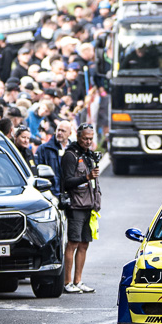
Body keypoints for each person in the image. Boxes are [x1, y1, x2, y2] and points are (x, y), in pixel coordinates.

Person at [61, 123, 101, 294]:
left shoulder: (88, 155)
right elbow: (67, 182)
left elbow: (95, 183)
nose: (88, 141)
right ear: (78, 137)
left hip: (89, 206)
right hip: (76, 206)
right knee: (73, 243)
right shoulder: (70, 155)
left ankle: (78, 281)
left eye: (91, 139)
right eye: (85, 138)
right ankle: (67, 282)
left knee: (84, 243)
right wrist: (86, 177)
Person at [36, 118, 73, 193]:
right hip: (50, 192)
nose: (59, 133)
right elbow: (37, 170)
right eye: (58, 130)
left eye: (63, 131)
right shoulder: (44, 149)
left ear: (70, 133)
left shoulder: (74, 150)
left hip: (69, 193)